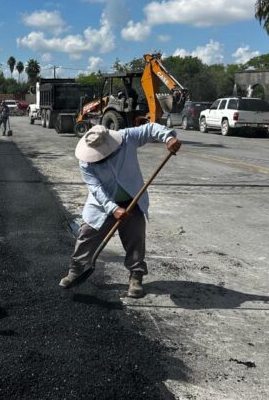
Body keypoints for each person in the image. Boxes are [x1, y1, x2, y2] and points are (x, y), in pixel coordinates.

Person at [60, 124, 181, 298]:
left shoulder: (127, 138)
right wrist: (113, 208)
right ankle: (76, 270)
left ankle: (136, 276)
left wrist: (168, 137)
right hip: (102, 205)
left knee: (136, 239)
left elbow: (152, 128)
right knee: (86, 235)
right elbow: (96, 188)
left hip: (133, 199)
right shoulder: (85, 162)